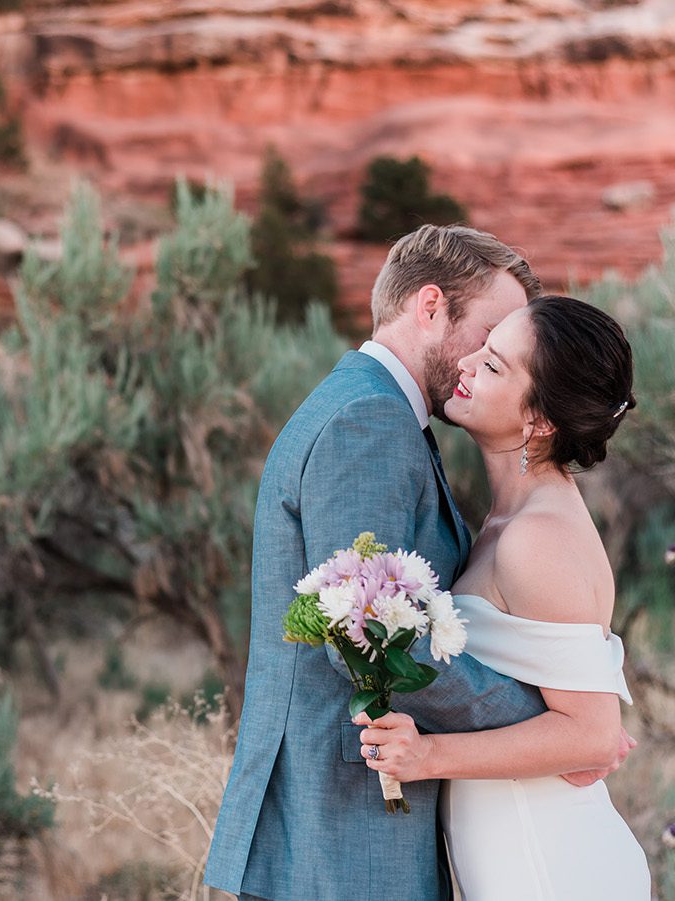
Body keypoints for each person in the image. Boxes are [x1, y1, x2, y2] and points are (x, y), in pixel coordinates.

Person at [203, 226, 633, 901]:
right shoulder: (370, 421)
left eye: (497, 357)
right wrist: (554, 727)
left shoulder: (384, 416)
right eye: (487, 337)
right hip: (340, 828)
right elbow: (366, 633)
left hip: (379, 829)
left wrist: (575, 727)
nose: (474, 364)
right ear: (431, 305)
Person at [356, 294, 651, 899]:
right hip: (518, 849)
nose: (466, 364)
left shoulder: (537, 540)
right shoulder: (508, 522)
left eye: (492, 366)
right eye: (482, 349)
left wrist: (427, 756)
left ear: (539, 421)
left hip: (549, 864)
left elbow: (593, 736)